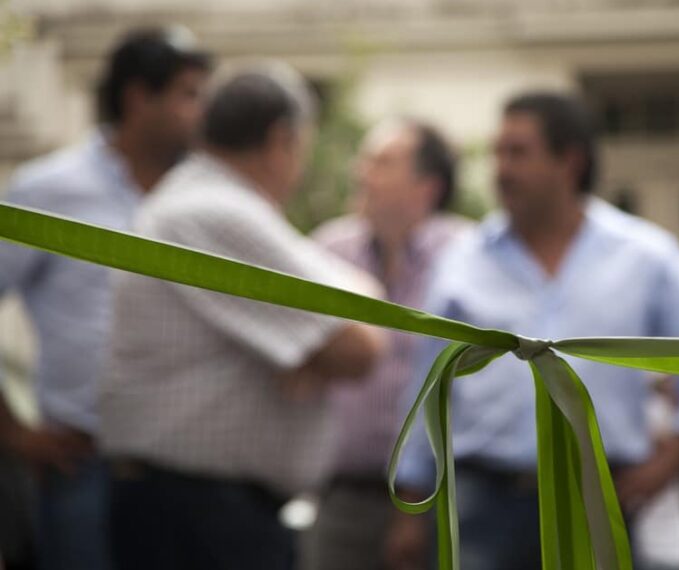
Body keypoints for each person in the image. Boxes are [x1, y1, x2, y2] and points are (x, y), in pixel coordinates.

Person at [386, 91, 679, 570]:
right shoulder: (460, 262)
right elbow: (427, 386)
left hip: (600, 500)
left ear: (570, 161)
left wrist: (670, 461)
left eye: (518, 152)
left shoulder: (647, 258)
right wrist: (410, 507)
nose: (501, 168)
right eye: (497, 152)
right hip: (482, 504)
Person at [100, 64, 386, 570]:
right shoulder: (215, 211)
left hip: (200, 510)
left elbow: (354, 323)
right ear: (282, 139)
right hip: (199, 516)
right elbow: (360, 342)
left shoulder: (199, 202)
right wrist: (318, 352)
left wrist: (310, 353)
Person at [0, 26, 212, 570]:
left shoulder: (206, 198)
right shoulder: (48, 191)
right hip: (83, 468)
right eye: (189, 94)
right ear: (140, 97)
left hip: (194, 474)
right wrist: (14, 432)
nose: (202, 112)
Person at [308, 118, 470, 570]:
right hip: (342, 498)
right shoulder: (327, 252)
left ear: (427, 186)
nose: (361, 173)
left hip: (445, 501)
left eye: (381, 162)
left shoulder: (467, 258)